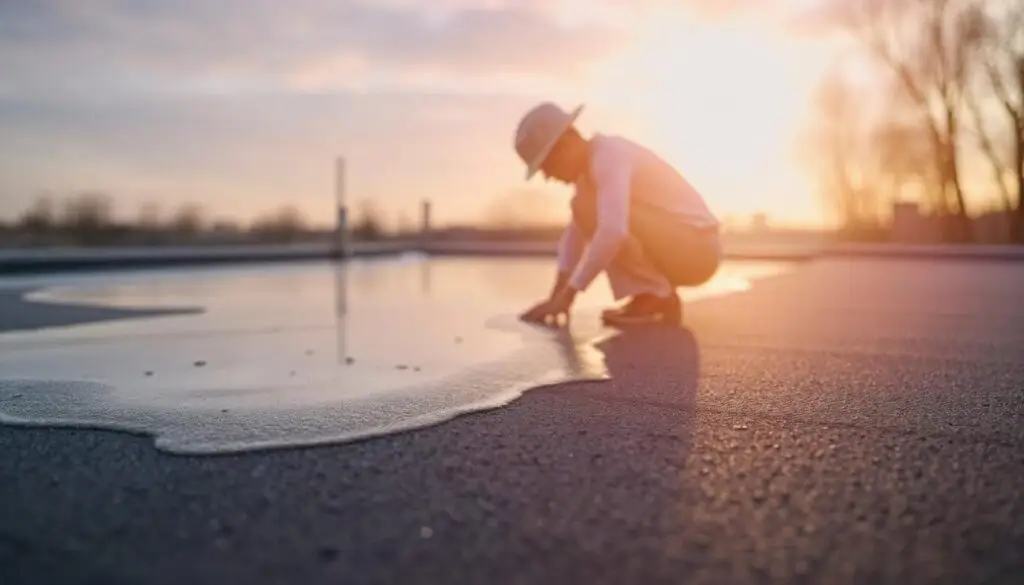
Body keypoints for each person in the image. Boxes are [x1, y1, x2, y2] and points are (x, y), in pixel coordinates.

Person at [513, 102, 721, 327]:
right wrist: (556, 296)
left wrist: (568, 295)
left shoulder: (609, 155)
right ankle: (652, 295)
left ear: (565, 144)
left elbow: (613, 230)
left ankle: (655, 296)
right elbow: (574, 239)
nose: (548, 177)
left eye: (546, 166)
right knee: (584, 208)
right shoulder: (589, 178)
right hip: (688, 247)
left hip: (700, 250)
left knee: (588, 209)